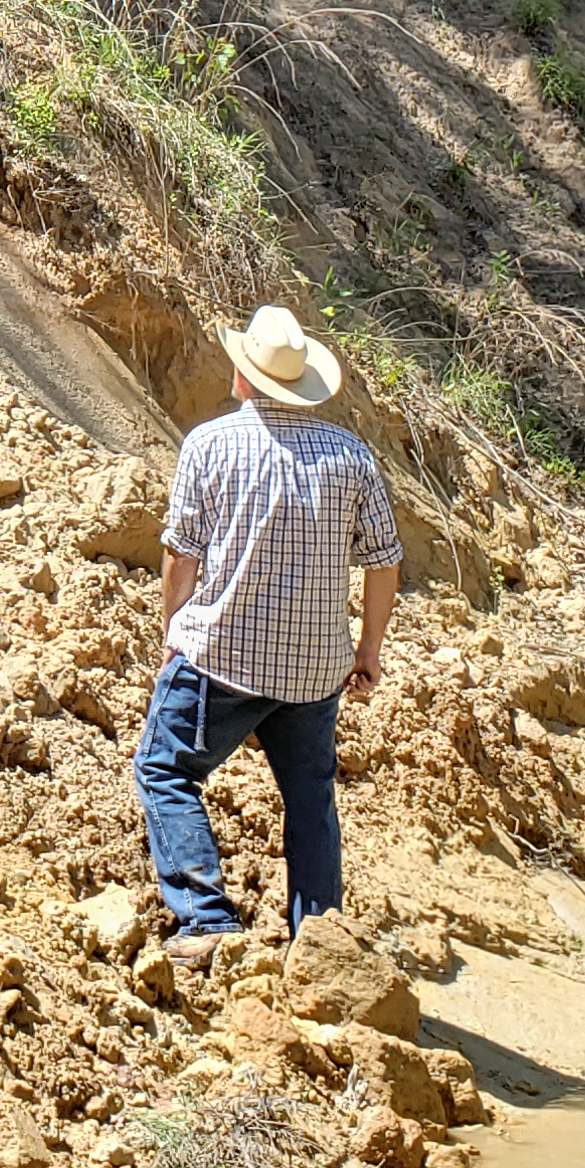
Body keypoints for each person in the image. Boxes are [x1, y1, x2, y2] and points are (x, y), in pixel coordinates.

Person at [133, 303, 403, 938]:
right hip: (315, 669)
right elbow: (385, 561)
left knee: (163, 768)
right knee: (310, 797)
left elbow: (182, 554)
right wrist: (367, 649)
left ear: (244, 374)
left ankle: (204, 919)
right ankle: (321, 938)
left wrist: (175, 632)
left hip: (221, 654)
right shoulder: (350, 456)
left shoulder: (210, 444)